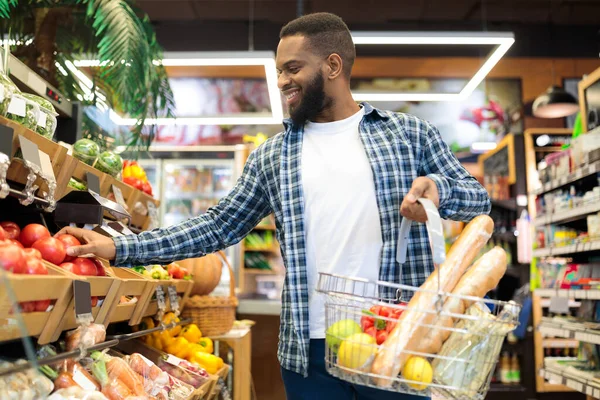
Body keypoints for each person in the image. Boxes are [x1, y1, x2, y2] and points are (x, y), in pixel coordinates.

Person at [58, 12, 491, 400]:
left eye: (292, 68)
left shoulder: (408, 134)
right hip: (310, 350)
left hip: (397, 340)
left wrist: (438, 191)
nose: (281, 80)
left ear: (333, 66)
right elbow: (218, 226)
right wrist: (119, 247)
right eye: (279, 70)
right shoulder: (273, 155)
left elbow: (477, 199)